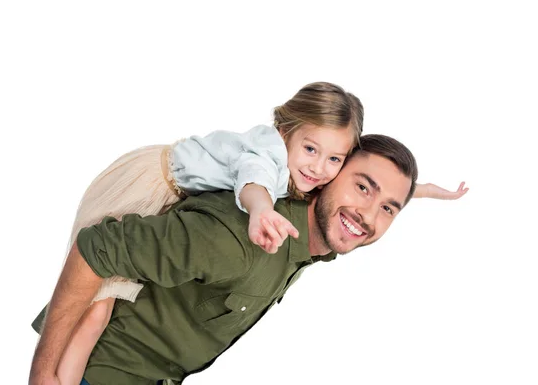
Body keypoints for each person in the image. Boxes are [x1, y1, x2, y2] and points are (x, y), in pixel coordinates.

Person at [31, 82, 468, 385]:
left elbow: (383, 198)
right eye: (362, 186)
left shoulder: (310, 238)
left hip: (150, 375)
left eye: (388, 207)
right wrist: (44, 373)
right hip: (102, 372)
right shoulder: (243, 234)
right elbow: (98, 249)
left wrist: (426, 192)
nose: (368, 214)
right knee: (98, 308)